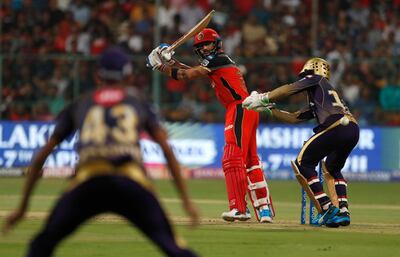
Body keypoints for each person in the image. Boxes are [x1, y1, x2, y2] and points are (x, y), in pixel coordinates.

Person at [2, 47, 200, 257]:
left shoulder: (81, 103)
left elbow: (42, 155)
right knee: (174, 249)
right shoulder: (137, 102)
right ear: (128, 75)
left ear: (98, 75)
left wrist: (22, 208)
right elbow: (167, 150)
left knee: (41, 245)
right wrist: (186, 202)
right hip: (131, 184)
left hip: (88, 183)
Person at [146, 28, 274, 223]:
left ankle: (239, 208)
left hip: (239, 107)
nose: (205, 47)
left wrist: (159, 66)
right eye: (201, 46)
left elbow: (185, 76)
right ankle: (264, 211)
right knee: (250, 160)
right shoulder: (217, 63)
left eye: (208, 43)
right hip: (247, 108)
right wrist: (170, 61)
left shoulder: (218, 60)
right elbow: (192, 71)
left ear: (217, 43)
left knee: (232, 157)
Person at [242, 57, 360, 227]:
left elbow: (289, 90)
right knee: (333, 168)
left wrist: (263, 97)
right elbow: (295, 118)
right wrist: (269, 110)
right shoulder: (324, 95)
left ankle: (327, 208)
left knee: (302, 163)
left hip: (335, 125)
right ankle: (343, 211)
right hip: (352, 128)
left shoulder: (316, 79)